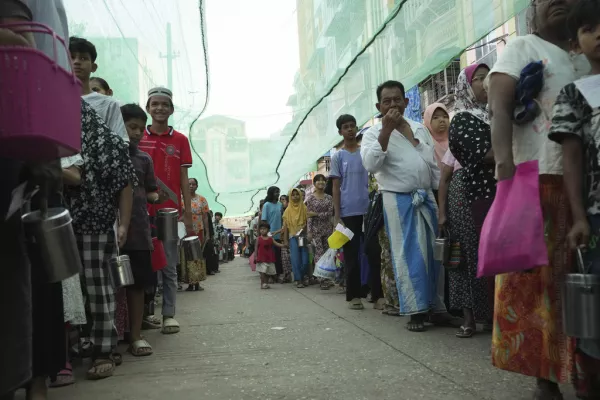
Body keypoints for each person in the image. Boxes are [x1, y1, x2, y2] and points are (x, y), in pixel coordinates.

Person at [487, 0, 590, 396]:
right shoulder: (522, 48)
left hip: (585, 183)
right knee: (537, 285)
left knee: (578, 279)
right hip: (536, 177)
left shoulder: (586, 57)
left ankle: (583, 370)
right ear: (534, 7)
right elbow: (499, 108)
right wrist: (505, 169)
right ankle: (545, 377)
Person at [361, 80, 442, 332]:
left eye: (398, 99)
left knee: (432, 253)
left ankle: (434, 307)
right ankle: (415, 310)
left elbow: (432, 165)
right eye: (387, 101)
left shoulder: (418, 128)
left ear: (406, 103)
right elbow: (371, 164)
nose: (393, 105)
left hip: (426, 196)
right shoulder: (373, 134)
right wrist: (386, 131)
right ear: (379, 106)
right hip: (398, 199)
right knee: (408, 255)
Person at [549, 1, 600, 396]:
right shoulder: (576, 94)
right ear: (575, 43)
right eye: (588, 28)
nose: (598, 33)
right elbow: (572, 161)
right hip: (597, 216)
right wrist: (580, 217)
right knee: (595, 315)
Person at [139, 86, 194, 335]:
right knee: (145, 264)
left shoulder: (180, 140)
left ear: (171, 110)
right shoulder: (138, 137)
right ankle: (146, 314)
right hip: (140, 211)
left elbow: (184, 178)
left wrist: (188, 214)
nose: (159, 108)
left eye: (164, 104)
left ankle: (169, 314)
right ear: (148, 108)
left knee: (169, 266)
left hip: (169, 213)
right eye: (155, 104)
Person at [447, 64, 495, 338]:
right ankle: (473, 316)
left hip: (503, 190)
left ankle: (492, 314)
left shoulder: (497, 113)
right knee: (468, 255)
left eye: (489, 77)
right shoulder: (463, 119)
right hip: (474, 195)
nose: (485, 83)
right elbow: (485, 154)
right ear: (466, 86)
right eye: (479, 79)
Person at [118, 103, 169, 358]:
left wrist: (154, 196)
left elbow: (151, 190)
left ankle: (135, 336)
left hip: (138, 229)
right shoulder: (107, 154)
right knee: (110, 285)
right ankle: (110, 336)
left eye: (140, 128)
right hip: (108, 228)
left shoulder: (143, 159)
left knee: (136, 284)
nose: (137, 133)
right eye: (132, 127)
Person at [330, 114, 370, 310]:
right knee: (351, 255)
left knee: (372, 252)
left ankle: (374, 293)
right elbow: (336, 187)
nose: (350, 130)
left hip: (369, 210)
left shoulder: (365, 153)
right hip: (347, 212)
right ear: (340, 132)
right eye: (346, 127)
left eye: (353, 126)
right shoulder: (338, 157)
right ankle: (354, 296)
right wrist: (337, 216)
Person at [68, 37, 128, 143]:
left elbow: (121, 142)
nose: (76, 62)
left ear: (93, 67)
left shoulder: (109, 104)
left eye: (83, 58)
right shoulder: (54, 101)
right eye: (71, 57)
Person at [305, 174, 334, 289]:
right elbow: (309, 216)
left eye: (323, 181)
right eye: (318, 181)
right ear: (314, 183)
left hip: (327, 229)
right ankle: (322, 279)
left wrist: (316, 214)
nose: (321, 183)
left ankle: (327, 277)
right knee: (319, 254)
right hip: (315, 230)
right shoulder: (310, 198)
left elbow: (330, 214)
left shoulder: (329, 198)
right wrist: (309, 232)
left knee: (328, 254)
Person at [182, 178, 209, 291]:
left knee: (197, 257)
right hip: (185, 232)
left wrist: (207, 233)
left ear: (197, 186)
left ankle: (197, 282)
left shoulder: (202, 199)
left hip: (199, 231)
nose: (191, 186)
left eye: (193, 184)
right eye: (189, 184)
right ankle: (189, 282)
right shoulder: (181, 200)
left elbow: (205, 217)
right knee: (186, 257)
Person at [283, 188, 310, 288]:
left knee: (305, 259)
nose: (295, 196)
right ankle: (299, 279)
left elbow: (308, 223)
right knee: (295, 259)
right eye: (293, 195)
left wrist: (306, 231)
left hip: (302, 237)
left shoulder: (304, 208)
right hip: (293, 238)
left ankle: (302, 276)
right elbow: (285, 227)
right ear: (290, 197)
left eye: (297, 194)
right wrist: (285, 240)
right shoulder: (287, 211)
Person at [261, 186, 284, 281]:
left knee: (278, 256)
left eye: (278, 192)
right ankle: (269, 275)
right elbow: (264, 221)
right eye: (275, 192)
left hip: (278, 234)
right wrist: (265, 234)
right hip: (269, 235)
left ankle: (277, 275)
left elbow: (283, 219)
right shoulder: (266, 205)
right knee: (269, 256)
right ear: (271, 193)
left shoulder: (280, 205)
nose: (277, 194)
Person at [255, 221, 286, 289]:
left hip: (269, 258)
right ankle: (262, 284)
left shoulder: (270, 239)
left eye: (264, 229)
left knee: (268, 272)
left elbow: (277, 244)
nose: (262, 230)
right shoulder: (258, 239)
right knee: (262, 272)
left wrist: (284, 245)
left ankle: (265, 283)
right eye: (261, 229)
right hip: (261, 258)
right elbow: (256, 248)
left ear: (268, 230)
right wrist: (255, 257)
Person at [423, 103, 450, 169]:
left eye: (445, 116)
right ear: (428, 121)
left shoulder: (455, 140)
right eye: (435, 117)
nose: (442, 120)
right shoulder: (425, 143)